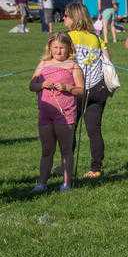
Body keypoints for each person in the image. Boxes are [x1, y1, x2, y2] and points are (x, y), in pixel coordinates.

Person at [29, 33, 84, 193]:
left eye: (62, 48)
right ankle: (41, 183)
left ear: (69, 49)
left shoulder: (73, 66)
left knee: (66, 150)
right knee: (47, 149)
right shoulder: (43, 64)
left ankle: (66, 183)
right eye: (55, 48)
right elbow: (32, 85)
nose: (58, 51)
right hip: (46, 113)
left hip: (65, 113)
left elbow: (81, 91)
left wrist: (67, 88)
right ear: (50, 48)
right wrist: (42, 84)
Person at [63, 3, 111, 178]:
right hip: (98, 88)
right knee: (94, 130)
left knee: (69, 128)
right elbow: (108, 60)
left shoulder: (66, 37)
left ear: (74, 18)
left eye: (66, 16)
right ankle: (96, 168)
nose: (63, 19)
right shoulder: (96, 37)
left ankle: (66, 165)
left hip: (77, 89)